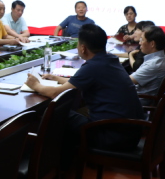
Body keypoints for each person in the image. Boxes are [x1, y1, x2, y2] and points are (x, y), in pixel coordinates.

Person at [25, 24, 144, 166]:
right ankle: (61, 164)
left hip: (112, 136)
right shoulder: (109, 59)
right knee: (67, 114)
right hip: (129, 132)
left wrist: (36, 85)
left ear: (83, 48)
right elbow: (82, 81)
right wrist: (57, 78)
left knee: (55, 113)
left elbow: (55, 93)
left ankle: (47, 165)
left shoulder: (93, 66)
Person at [130, 26, 165, 103]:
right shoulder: (158, 58)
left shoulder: (154, 64)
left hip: (138, 101)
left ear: (152, 44)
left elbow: (128, 81)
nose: (140, 43)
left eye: (142, 39)